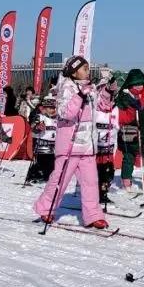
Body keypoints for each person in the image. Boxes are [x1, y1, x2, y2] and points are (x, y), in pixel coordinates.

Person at [34, 56, 109, 228]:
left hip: (87, 145)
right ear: (74, 72)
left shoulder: (90, 88)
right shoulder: (66, 87)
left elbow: (103, 107)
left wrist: (109, 92)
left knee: (91, 182)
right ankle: (46, 209)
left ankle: (93, 215)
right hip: (70, 145)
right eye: (84, 68)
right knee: (59, 180)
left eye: (88, 68)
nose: (88, 71)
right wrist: (80, 95)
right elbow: (66, 113)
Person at [94, 71, 122, 204]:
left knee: (109, 172)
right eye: (105, 92)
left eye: (111, 94)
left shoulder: (115, 108)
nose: (108, 97)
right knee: (96, 173)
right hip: (95, 148)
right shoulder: (94, 107)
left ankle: (103, 194)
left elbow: (118, 124)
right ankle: (94, 195)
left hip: (109, 147)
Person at [25, 96, 57, 184]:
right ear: (45, 108)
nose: (52, 110)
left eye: (53, 108)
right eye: (50, 108)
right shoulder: (40, 117)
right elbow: (33, 127)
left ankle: (47, 176)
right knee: (41, 162)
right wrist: (38, 127)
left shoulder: (57, 118)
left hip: (53, 145)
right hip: (41, 144)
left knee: (51, 163)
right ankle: (32, 176)